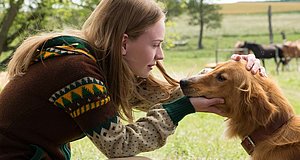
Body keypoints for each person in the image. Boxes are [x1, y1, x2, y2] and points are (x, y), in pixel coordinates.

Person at [0, 0, 266, 159]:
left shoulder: (101, 63)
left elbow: (166, 94)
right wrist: (186, 107)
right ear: (124, 43)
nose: (160, 55)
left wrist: (232, 71)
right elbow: (120, 145)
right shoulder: (78, 72)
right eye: (156, 44)